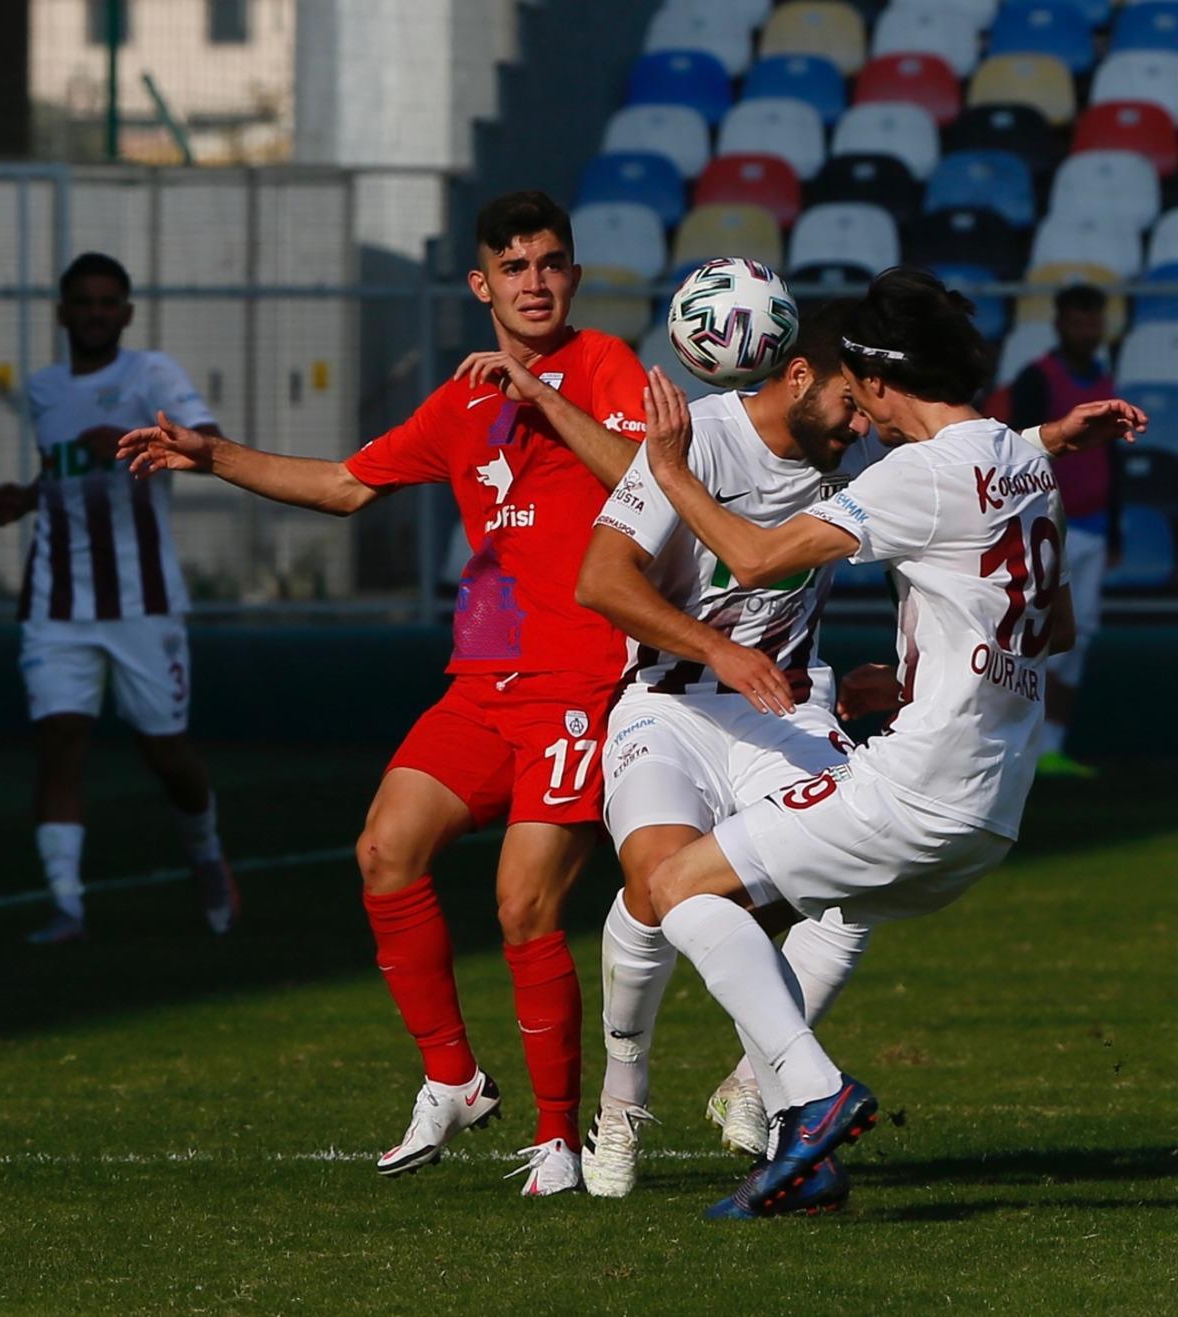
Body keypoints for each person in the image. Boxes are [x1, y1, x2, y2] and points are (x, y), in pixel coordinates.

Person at [116, 191, 649, 1196]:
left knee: (523, 905)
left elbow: (645, 479)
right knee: (383, 850)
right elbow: (347, 485)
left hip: (580, 677)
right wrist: (215, 456)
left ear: (574, 275)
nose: (535, 282)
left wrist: (543, 398)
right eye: (515, 266)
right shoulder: (458, 402)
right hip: (482, 675)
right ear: (480, 284)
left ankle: (559, 1141)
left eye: (551, 263)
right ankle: (453, 1077)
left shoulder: (605, 365)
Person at [637, 269, 1144, 1219]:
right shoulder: (1027, 461)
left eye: (858, 390)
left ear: (876, 379)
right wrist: (918, 671)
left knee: (675, 888)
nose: (858, 415)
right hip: (993, 814)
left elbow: (752, 557)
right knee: (767, 904)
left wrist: (670, 468)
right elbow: (1054, 627)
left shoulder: (918, 474)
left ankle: (809, 1096)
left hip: (916, 789)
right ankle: (799, 1148)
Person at [574, 304, 877, 1204]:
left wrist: (1049, 439)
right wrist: (718, 649)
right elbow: (600, 579)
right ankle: (622, 1101)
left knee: (860, 877)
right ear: (798, 377)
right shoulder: (692, 437)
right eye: (851, 405)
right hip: (669, 706)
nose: (862, 427)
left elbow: (956, 465)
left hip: (785, 704)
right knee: (659, 884)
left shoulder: (851, 455)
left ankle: (764, 1083)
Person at [0, 252, 238, 945]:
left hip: (141, 600)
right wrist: (24, 498)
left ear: (125, 313)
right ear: (63, 312)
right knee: (60, 740)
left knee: (166, 754)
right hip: (56, 599)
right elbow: (63, 475)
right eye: (84, 302)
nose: (96, 314)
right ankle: (66, 905)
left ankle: (206, 851)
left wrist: (143, 440)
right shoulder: (43, 389)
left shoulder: (150, 375)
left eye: (107, 303)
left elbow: (213, 447)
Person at [1009, 284, 1117, 779]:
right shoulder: (1036, 379)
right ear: (1060, 325)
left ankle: (1053, 744)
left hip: (1094, 527)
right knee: (1038, 635)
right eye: (1078, 321)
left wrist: (1115, 531)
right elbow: (1018, 453)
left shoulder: (1104, 378)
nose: (1087, 330)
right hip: (1048, 528)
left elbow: (1113, 459)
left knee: (1079, 639)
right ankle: (1025, 741)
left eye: (1093, 321)